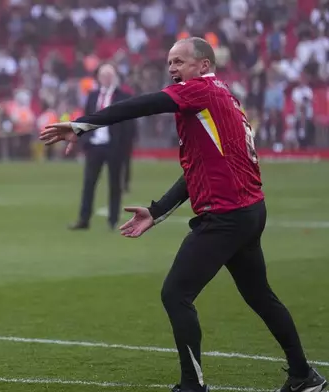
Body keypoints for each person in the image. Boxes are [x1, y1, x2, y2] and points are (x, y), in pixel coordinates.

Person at [40, 37, 327, 392]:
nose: (172, 68)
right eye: (170, 62)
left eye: (180, 62)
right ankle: (304, 375)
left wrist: (82, 125)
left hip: (226, 216)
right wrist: (157, 211)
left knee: (176, 293)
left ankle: (193, 385)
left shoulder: (200, 92)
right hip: (248, 210)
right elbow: (202, 167)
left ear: (203, 66)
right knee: (260, 296)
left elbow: (141, 105)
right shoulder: (223, 97)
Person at [69, 63, 135, 231]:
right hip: (94, 146)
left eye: (109, 75)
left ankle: (113, 221)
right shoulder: (92, 96)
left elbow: (129, 124)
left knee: (115, 185)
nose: (106, 78)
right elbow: (85, 119)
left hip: (114, 146)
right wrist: (85, 141)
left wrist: (125, 146)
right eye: (103, 75)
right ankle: (83, 219)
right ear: (98, 77)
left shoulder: (123, 96)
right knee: (89, 183)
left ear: (113, 77)